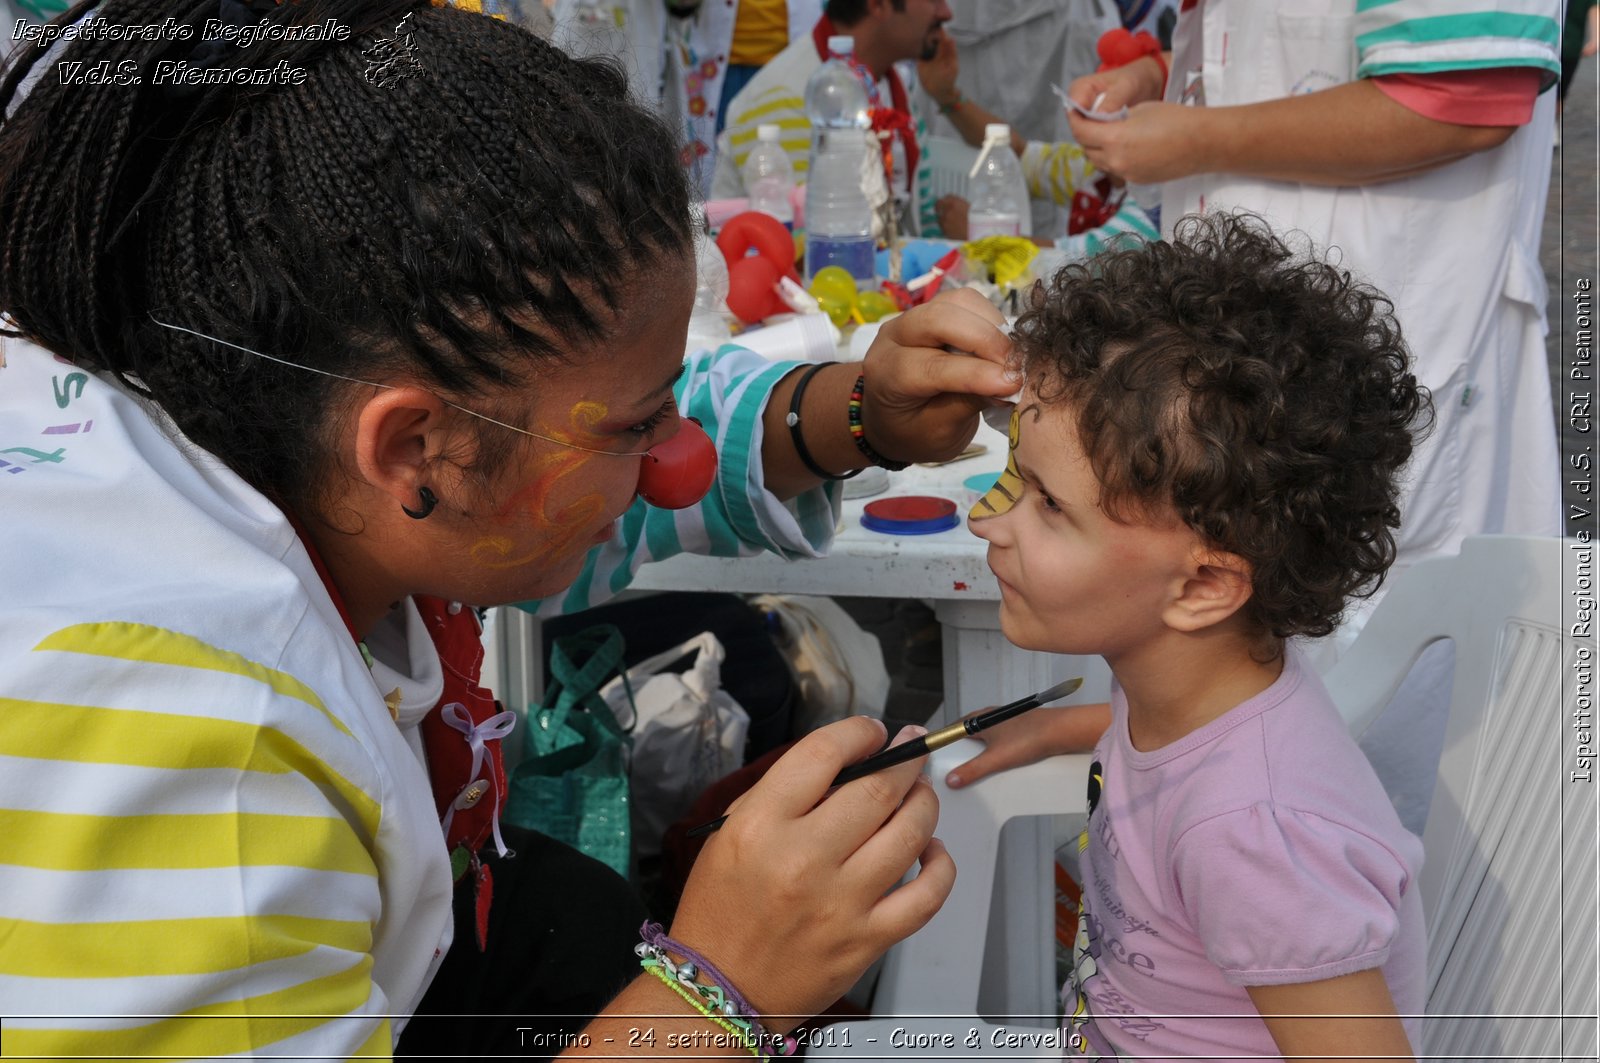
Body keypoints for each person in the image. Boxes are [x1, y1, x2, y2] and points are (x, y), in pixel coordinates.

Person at [0, 0, 1024, 1056]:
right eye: (641, 425)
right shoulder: (207, 781)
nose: (675, 465)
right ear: (409, 450)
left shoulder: (218, 391)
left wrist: (851, 412)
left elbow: (546, 432)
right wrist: (721, 990)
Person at [1060, 0, 1565, 834]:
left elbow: (1463, 93)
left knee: (1348, 766)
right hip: (1254, 365)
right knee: (1227, 741)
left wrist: (1196, 134)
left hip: (1369, 364)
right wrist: (1166, 73)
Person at [962, 214, 1432, 1060]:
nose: (986, 523)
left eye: (1048, 505)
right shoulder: (1184, 682)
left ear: (1206, 584)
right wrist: (1051, 729)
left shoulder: (1254, 833)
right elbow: (1172, 758)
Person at [711, 0, 957, 237]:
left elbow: (922, 224)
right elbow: (806, 249)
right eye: (934, 0)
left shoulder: (893, 85)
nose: (946, 13)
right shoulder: (785, 97)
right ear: (878, 4)